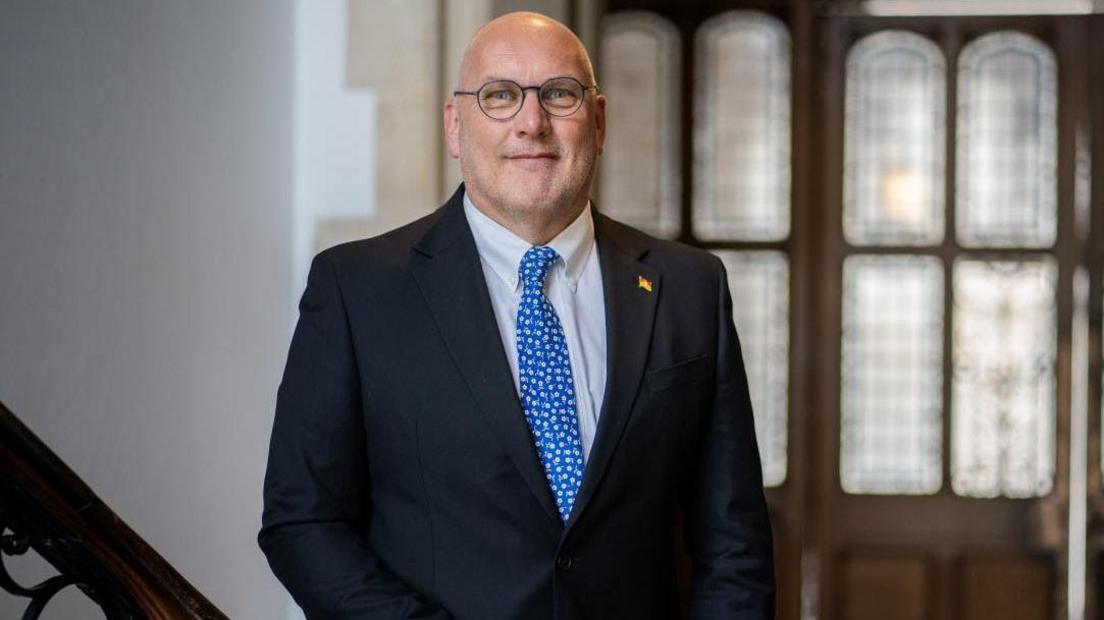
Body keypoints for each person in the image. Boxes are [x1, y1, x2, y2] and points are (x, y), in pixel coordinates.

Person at [259, 11, 774, 619]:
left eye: (559, 94)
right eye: (499, 95)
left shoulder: (690, 289)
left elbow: (734, 542)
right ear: (455, 127)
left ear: (600, 121)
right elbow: (304, 520)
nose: (532, 123)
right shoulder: (356, 290)